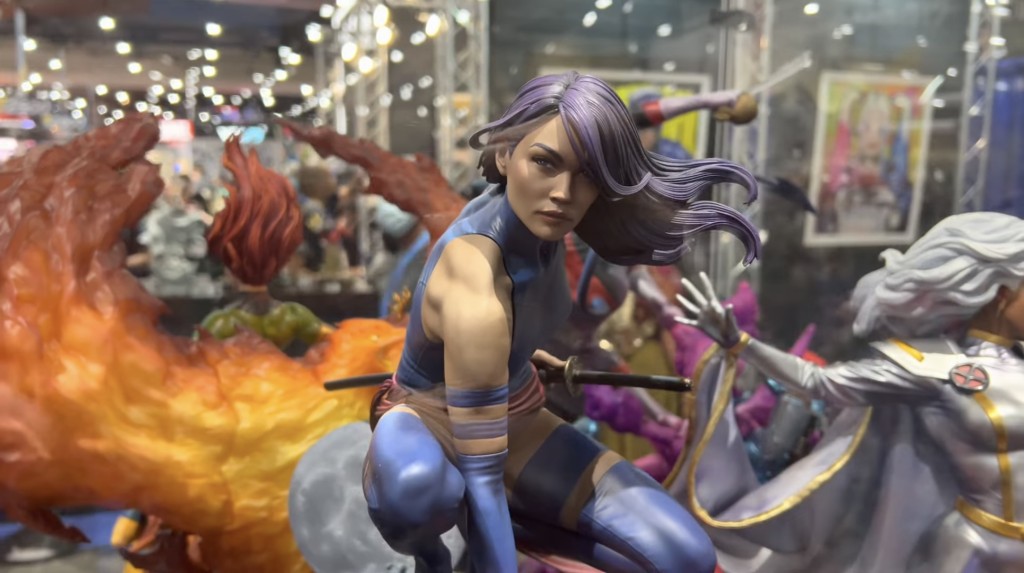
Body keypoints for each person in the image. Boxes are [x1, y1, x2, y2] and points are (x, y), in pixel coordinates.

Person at [357, 71, 760, 573]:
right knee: (421, 490)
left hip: (517, 413)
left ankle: (542, 533)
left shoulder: (542, 228)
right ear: (504, 155)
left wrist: (517, 356)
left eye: (587, 174)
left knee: (685, 556)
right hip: (430, 427)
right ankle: (432, 560)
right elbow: (484, 481)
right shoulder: (476, 288)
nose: (564, 193)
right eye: (545, 163)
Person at [673, 211, 1024, 573]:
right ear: (1001, 293)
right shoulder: (934, 368)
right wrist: (739, 342)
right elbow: (818, 381)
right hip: (972, 551)